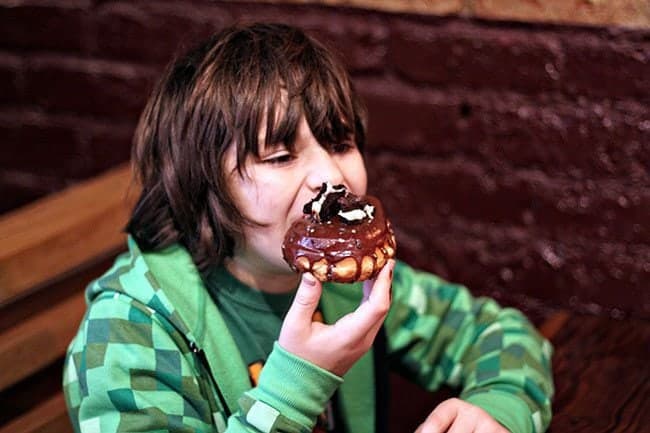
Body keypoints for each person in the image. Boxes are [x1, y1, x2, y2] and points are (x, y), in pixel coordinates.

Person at [63, 23, 553, 433]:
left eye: (340, 144)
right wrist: (297, 384)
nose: (332, 177)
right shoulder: (129, 334)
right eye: (280, 155)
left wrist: (499, 409)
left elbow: (501, 334)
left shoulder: (351, 289)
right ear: (201, 183)